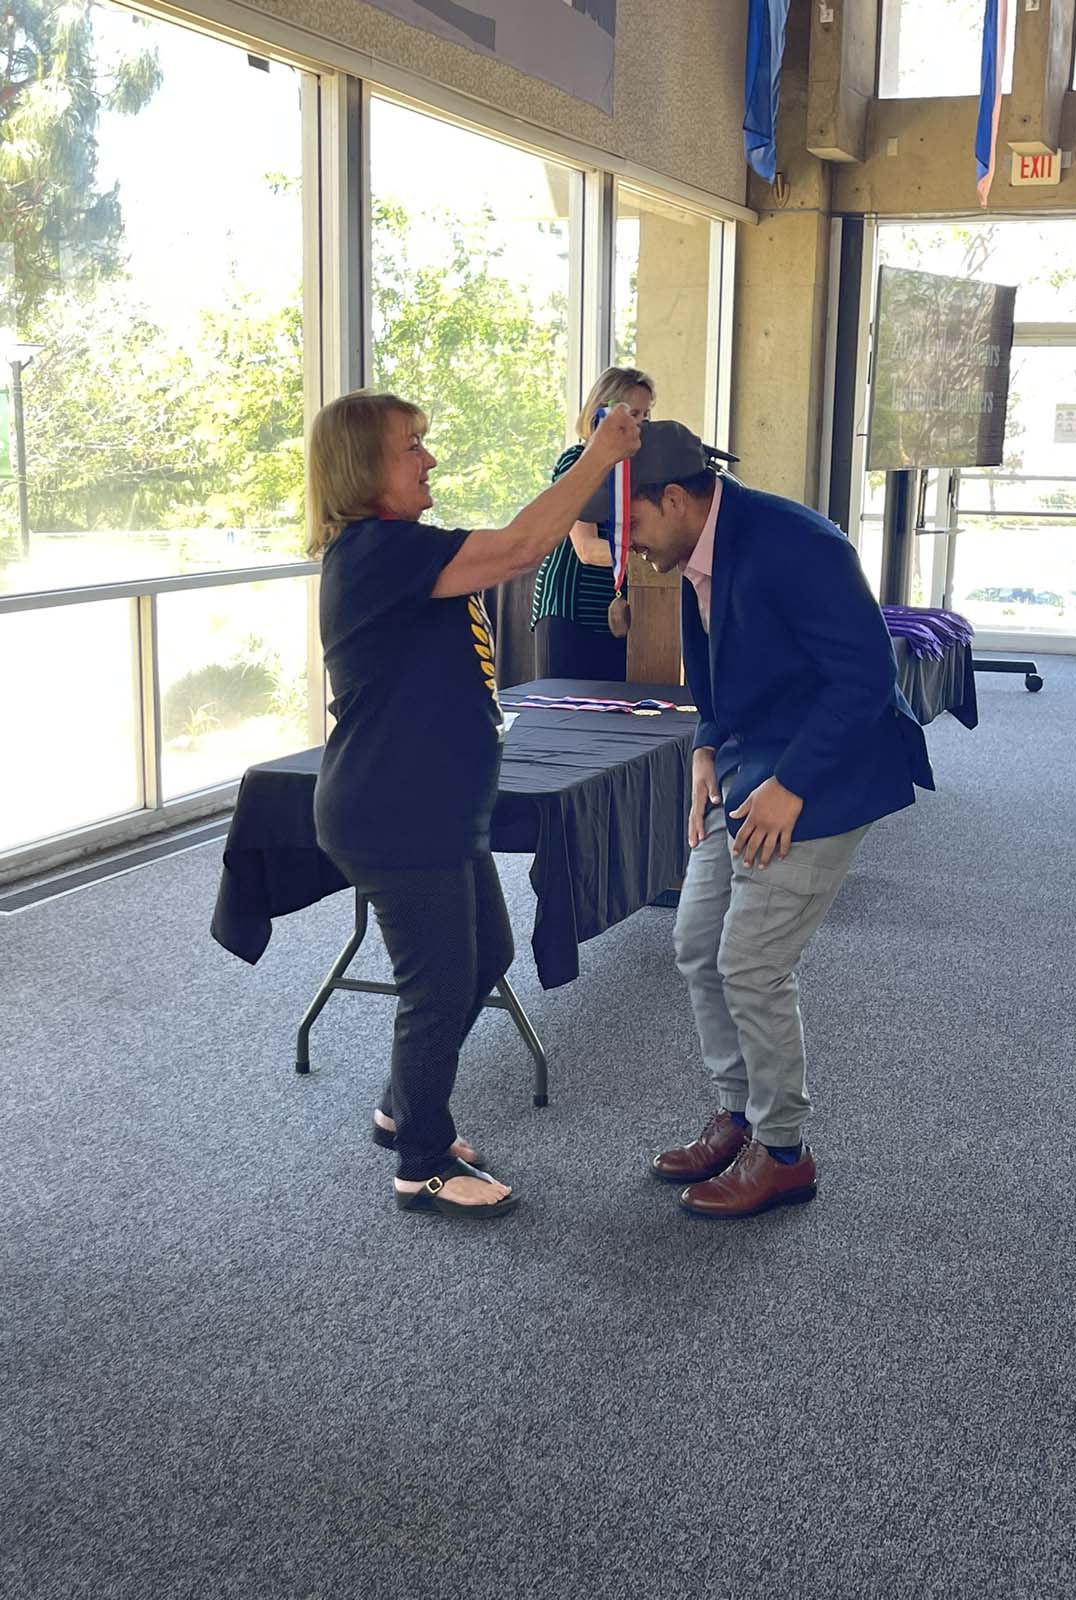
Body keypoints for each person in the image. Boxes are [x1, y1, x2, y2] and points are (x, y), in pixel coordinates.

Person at [577, 422, 935, 1220]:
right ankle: (737, 1116)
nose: (621, 547)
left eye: (627, 526)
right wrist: (707, 744)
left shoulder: (796, 544)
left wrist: (792, 785)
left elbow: (868, 676)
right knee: (697, 943)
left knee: (751, 963)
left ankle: (783, 1154)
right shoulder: (693, 547)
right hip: (748, 761)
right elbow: (707, 661)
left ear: (674, 499)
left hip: (827, 770)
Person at [309, 390, 640, 1222]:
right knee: (439, 984)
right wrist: (600, 456)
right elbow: (527, 545)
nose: (430, 459)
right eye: (410, 446)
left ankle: (401, 1111)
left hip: (436, 806)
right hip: (393, 812)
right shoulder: (377, 553)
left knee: (484, 952)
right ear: (363, 469)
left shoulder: (400, 551)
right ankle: (419, 1164)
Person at [530, 367, 655, 681]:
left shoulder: (640, 473)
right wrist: (649, 554)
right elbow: (586, 548)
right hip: (571, 611)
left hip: (615, 616)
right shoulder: (577, 461)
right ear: (604, 413)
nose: (642, 424)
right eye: (634, 414)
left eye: (647, 415)